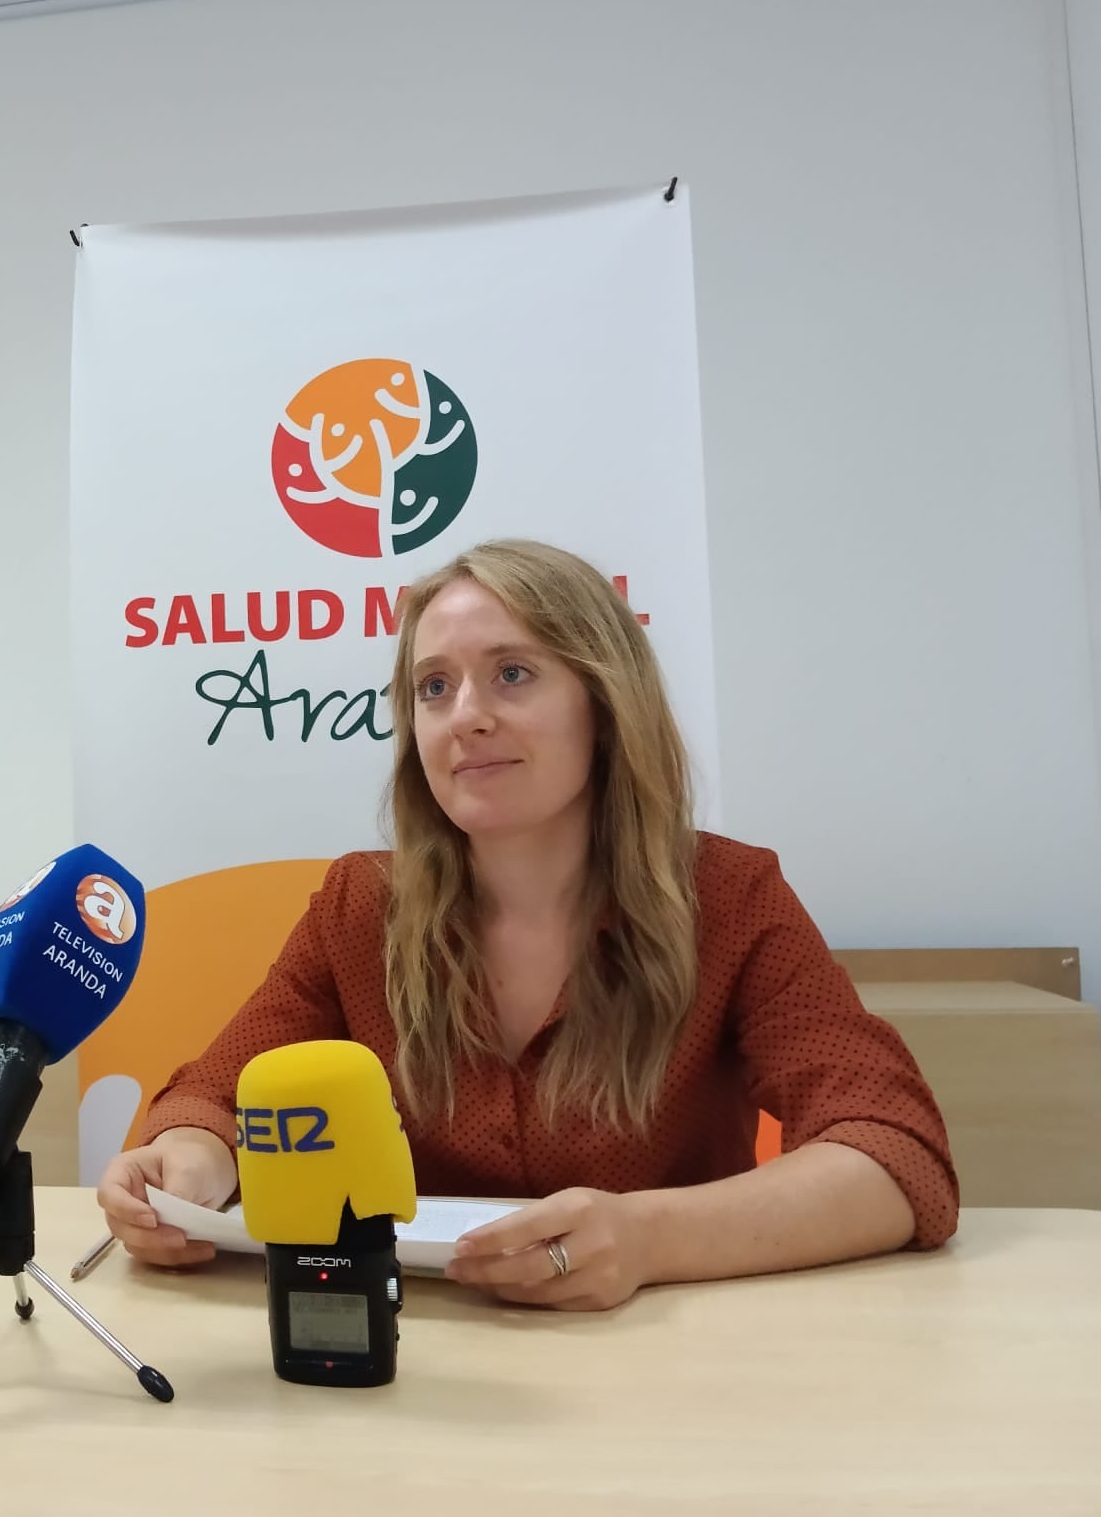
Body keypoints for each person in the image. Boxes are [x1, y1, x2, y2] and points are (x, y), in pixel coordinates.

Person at [97, 538, 958, 1311]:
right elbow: (215, 1095)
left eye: (512, 673)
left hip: (671, 1361)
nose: (466, 714)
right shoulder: (361, 908)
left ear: (605, 703)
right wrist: (191, 1162)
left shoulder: (730, 896)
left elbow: (892, 1156)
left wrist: (648, 1238)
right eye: (434, 687)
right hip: (429, 1363)